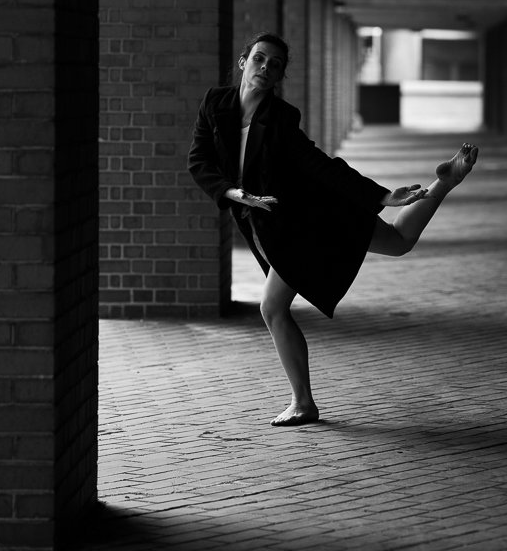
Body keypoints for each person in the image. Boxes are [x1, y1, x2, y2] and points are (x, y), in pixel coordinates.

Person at [188, 32, 478, 427]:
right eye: (259, 58)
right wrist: (234, 193)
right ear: (243, 62)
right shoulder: (214, 105)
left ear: (279, 76)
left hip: (305, 218)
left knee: (273, 307)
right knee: (396, 242)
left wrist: (382, 197)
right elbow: (199, 163)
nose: (265, 67)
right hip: (273, 221)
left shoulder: (282, 119)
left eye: (275, 64)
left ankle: (303, 403)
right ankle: (444, 183)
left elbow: (319, 164)